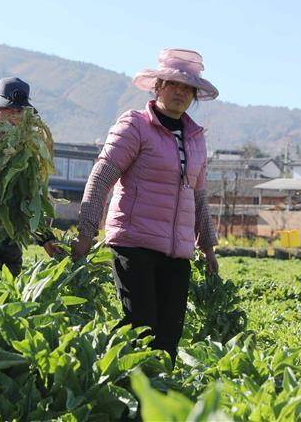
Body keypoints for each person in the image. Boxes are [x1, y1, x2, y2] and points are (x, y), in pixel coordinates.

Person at [71, 48, 219, 367]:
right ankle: (122, 394)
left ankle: (156, 402)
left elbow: (199, 196)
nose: (180, 92)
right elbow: (102, 178)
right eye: (172, 84)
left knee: (168, 337)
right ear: (158, 87)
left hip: (177, 253)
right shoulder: (135, 125)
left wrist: (207, 247)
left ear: (194, 95)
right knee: (141, 328)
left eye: (187, 88)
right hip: (134, 243)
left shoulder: (196, 138)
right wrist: (86, 231)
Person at [0, 77, 62, 281]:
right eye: (7, 110)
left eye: (19, 111)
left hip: (9, 248)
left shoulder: (26, 154)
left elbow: (29, 201)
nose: (13, 116)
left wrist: (46, 238)